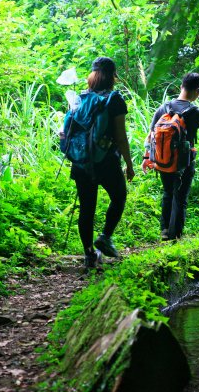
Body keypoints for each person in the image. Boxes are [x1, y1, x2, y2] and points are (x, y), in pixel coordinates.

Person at [69, 57, 135, 269]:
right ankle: (105, 236)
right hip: (106, 160)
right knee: (119, 196)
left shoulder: (80, 98)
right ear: (112, 76)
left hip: (81, 161)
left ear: (93, 75)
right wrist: (129, 163)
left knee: (86, 208)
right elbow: (121, 136)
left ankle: (89, 255)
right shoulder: (114, 99)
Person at [142, 73, 199, 240]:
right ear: (197, 91)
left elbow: (151, 135)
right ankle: (176, 235)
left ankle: (164, 230)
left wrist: (146, 158)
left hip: (163, 160)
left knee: (168, 193)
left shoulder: (164, 108)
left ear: (181, 86)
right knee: (180, 197)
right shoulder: (196, 112)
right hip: (184, 162)